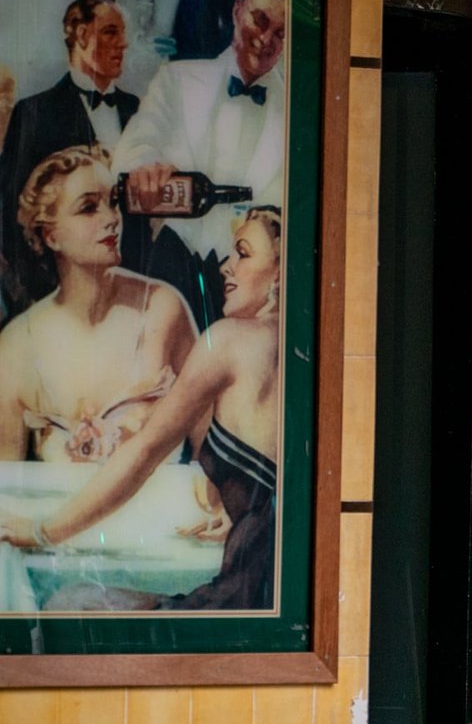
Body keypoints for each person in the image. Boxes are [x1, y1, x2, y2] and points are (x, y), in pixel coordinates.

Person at [2, 206, 281, 610]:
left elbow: (142, 453)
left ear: (279, 273)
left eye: (242, 253)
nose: (226, 267)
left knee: (72, 604)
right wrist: (242, 505)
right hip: (265, 587)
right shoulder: (293, 353)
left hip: (247, 591)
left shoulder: (229, 341)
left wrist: (43, 532)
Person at [116, 0, 289, 333]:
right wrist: (147, 167)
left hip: (255, 289)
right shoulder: (178, 79)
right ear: (237, 10)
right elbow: (134, 147)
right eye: (259, 21)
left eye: (280, 33)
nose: (266, 39)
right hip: (174, 266)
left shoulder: (297, 110)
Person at [0, 144, 197, 464]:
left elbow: (215, 459)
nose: (111, 219)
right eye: (88, 208)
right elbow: (5, 492)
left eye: (114, 203)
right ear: (50, 236)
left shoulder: (162, 308)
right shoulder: (16, 346)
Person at [1, 0, 139, 316]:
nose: (123, 44)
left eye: (122, 33)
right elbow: (12, 217)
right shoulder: (35, 112)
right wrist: (39, 297)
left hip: (132, 298)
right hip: (60, 298)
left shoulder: (138, 111)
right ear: (80, 35)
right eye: (110, 32)